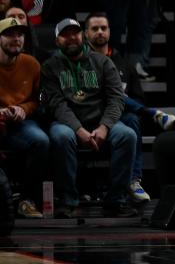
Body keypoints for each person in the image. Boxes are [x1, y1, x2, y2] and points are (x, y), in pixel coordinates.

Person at [41, 18, 139, 218]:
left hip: (100, 122)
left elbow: (116, 99)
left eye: (75, 33)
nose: (71, 38)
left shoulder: (102, 62)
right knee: (61, 136)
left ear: (83, 35)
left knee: (127, 135)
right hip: (66, 124)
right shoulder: (50, 66)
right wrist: (79, 130)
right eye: (65, 35)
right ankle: (69, 201)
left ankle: (116, 200)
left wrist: (104, 127)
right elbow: (56, 104)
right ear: (57, 40)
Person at [84, 13, 175, 204]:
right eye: (95, 28)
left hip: (118, 117)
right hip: (91, 117)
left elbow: (138, 96)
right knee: (109, 93)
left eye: (103, 28)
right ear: (86, 34)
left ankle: (134, 181)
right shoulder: (81, 60)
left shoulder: (123, 62)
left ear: (110, 31)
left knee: (132, 119)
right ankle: (153, 113)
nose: (100, 32)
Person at [0, 17, 47, 219]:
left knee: (41, 140)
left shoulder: (32, 64)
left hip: (20, 122)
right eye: (9, 34)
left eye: (19, 34)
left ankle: (27, 200)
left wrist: (24, 109)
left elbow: (40, 100)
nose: (16, 39)